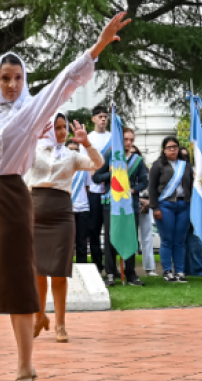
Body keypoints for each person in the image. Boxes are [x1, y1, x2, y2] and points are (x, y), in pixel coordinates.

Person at [0, 11, 130, 381]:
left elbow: (66, 80)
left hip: (14, 200)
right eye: (5, 78)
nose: (11, 84)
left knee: (17, 285)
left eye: (17, 78)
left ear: (24, 80)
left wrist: (98, 46)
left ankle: (25, 368)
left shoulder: (32, 111)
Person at [26, 112, 103, 343]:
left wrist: (86, 143)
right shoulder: (32, 151)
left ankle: (60, 324)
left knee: (59, 272)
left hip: (61, 215)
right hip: (34, 213)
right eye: (55, 128)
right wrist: (31, 138)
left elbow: (97, 164)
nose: (60, 132)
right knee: (37, 271)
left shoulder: (72, 155)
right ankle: (39, 317)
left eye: (63, 127)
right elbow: (13, 163)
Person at [92, 126, 148, 286]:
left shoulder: (137, 160)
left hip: (130, 204)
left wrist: (133, 189)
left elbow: (144, 181)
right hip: (111, 203)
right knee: (111, 238)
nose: (129, 142)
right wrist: (113, 173)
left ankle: (131, 274)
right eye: (126, 139)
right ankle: (110, 273)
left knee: (130, 237)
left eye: (131, 140)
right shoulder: (110, 155)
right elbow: (96, 177)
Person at [149, 136, 193, 283]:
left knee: (180, 240)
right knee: (167, 240)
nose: (173, 149)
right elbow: (152, 188)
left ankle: (180, 271)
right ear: (164, 149)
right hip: (165, 205)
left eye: (175, 146)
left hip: (183, 205)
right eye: (169, 147)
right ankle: (167, 271)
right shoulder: (158, 165)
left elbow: (191, 185)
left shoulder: (185, 165)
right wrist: (155, 207)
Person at [81, 105, 110, 275]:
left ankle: (111, 267)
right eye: (100, 116)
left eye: (105, 116)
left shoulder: (113, 138)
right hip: (93, 190)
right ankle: (98, 266)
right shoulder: (88, 139)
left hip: (110, 190)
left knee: (110, 229)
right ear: (93, 119)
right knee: (94, 229)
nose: (103, 119)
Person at [134, 143, 157, 276]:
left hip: (147, 207)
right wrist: (140, 201)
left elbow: (152, 189)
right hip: (131, 205)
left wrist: (148, 203)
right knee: (131, 237)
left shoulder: (146, 171)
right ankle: (128, 268)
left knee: (147, 236)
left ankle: (149, 268)